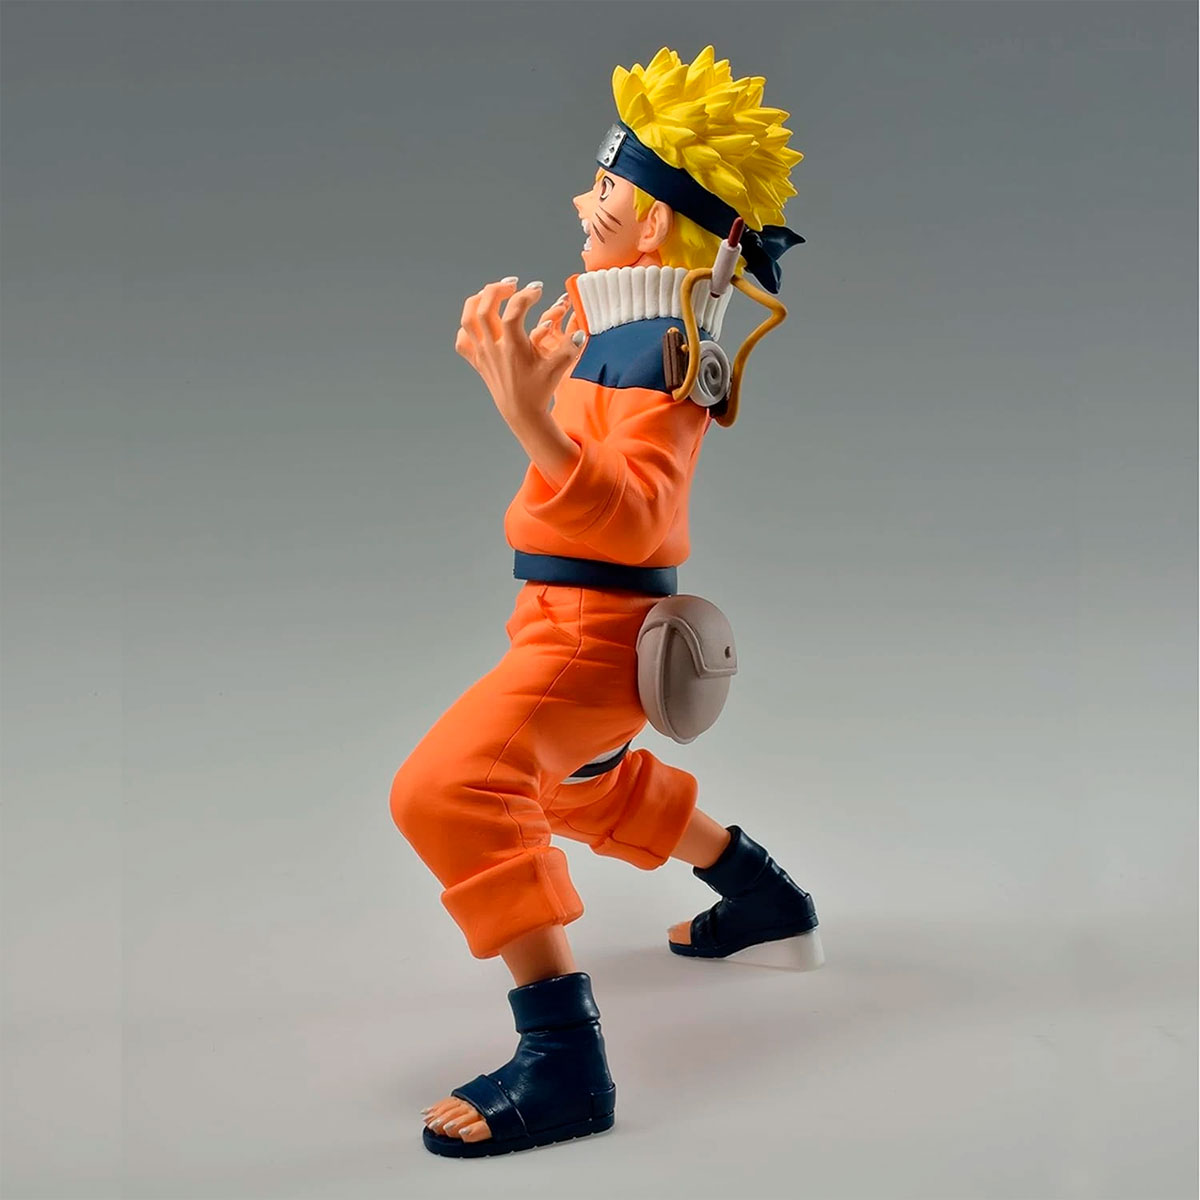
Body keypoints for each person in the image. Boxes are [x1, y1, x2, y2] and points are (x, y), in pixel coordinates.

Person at [391, 45, 818, 1158]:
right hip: (558, 616)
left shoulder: (663, 352)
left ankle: (564, 1064)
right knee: (577, 788)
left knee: (449, 790)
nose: (585, 202)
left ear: (658, 222)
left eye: (607, 187)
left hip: (595, 631)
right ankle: (763, 898)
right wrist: (541, 404)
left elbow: (635, 518)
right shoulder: (618, 333)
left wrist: (529, 417)